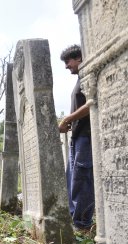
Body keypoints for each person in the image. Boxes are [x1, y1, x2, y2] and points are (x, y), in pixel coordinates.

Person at [59, 44, 94, 230]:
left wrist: (68, 118)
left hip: (87, 138)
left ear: (79, 57)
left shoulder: (88, 76)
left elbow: (91, 104)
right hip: (77, 136)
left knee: (82, 180)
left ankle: (82, 225)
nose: (66, 66)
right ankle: (75, 221)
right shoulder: (79, 80)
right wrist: (70, 124)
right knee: (72, 179)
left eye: (68, 61)